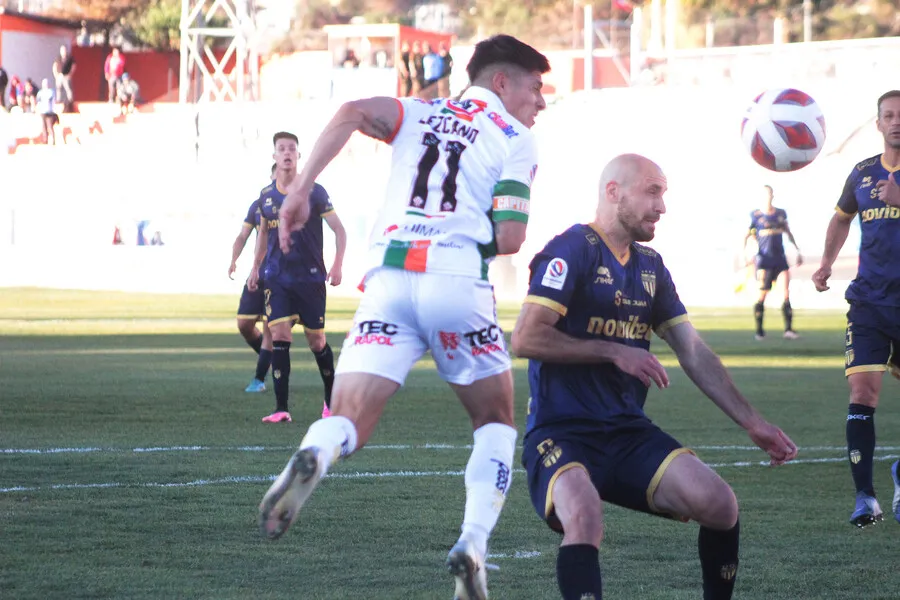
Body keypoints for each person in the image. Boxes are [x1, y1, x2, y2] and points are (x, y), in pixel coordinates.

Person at [257, 34, 550, 600]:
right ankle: (473, 544)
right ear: (501, 82)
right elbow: (512, 237)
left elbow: (350, 111)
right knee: (495, 422)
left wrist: (301, 189)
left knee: (350, 418)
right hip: (456, 280)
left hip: (388, 278)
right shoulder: (517, 137)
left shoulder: (418, 111)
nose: (540, 101)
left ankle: (317, 450)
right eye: (535, 88)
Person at [511, 154, 798, 600]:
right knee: (584, 516)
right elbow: (525, 338)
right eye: (652, 192)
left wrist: (753, 423)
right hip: (561, 431)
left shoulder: (650, 266)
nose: (662, 206)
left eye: (663, 194)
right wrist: (613, 351)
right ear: (614, 192)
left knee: (720, 504)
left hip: (627, 433)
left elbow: (693, 351)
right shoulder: (571, 250)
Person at [812, 89, 900, 528]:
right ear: (878, 123)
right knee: (862, 393)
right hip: (869, 302)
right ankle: (865, 497)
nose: (896, 122)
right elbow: (841, 217)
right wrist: (826, 262)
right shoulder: (863, 173)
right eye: (889, 115)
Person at [247, 132, 346, 424]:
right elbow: (262, 235)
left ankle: (331, 402)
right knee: (279, 334)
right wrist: (255, 267)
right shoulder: (266, 195)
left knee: (316, 341)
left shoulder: (315, 192)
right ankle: (281, 408)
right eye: (282, 149)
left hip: (310, 279)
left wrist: (337, 264)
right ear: (274, 156)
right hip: (277, 278)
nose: (287, 153)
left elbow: (339, 230)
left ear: (299, 155)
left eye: (292, 148)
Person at [230, 163, 278, 393]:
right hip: (258, 272)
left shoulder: (294, 204)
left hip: (280, 274)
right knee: (244, 324)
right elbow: (243, 235)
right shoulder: (258, 205)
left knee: (270, 327)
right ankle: (273, 360)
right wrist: (234, 259)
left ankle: (259, 379)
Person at [742, 184, 802, 340]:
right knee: (762, 294)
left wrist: (797, 250)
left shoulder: (780, 214)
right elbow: (747, 236)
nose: (768, 197)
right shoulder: (755, 216)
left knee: (786, 293)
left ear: (773, 196)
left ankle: (788, 329)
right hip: (764, 261)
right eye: (765, 195)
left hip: (780, 259)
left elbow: (788, 232)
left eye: (770, 194)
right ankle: (759, 331)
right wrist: (745, 255)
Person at [35, 79, 57, 145]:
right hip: (42, 111)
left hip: (49, 111)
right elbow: (38, 102)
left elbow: (52, 101)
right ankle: (45, 140)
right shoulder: (40, 93)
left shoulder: (51, 92)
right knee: (44, 127)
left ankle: (53, 140)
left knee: (50, 126)